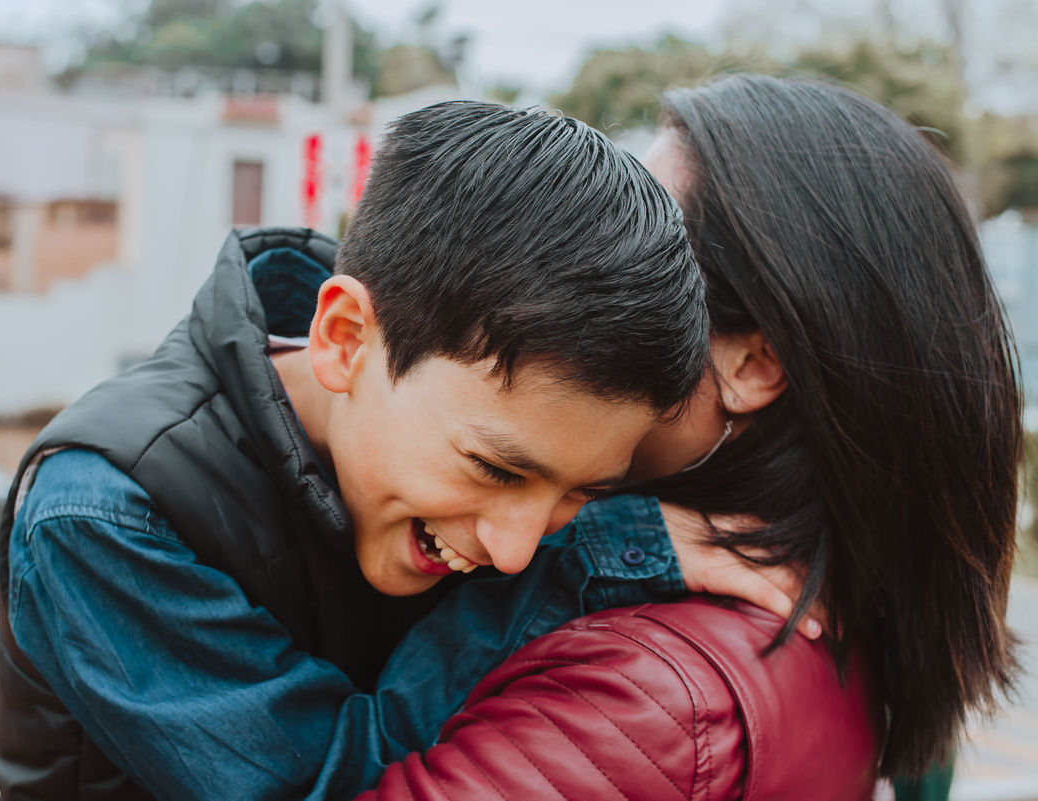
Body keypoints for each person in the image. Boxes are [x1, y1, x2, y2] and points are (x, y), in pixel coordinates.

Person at [0, 100, 802, 800]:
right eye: (495, 468)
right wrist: (601, 553)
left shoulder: (437, 419)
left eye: (580, 493)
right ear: (343, 339)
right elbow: (334, 783)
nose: (518, 549)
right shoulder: (107, 515)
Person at [354, 74, 1022, 798]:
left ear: (752, 362)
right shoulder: (839, 614)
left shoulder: (654, 704)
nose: (592, 258)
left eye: (656, 254)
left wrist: (608, 547)